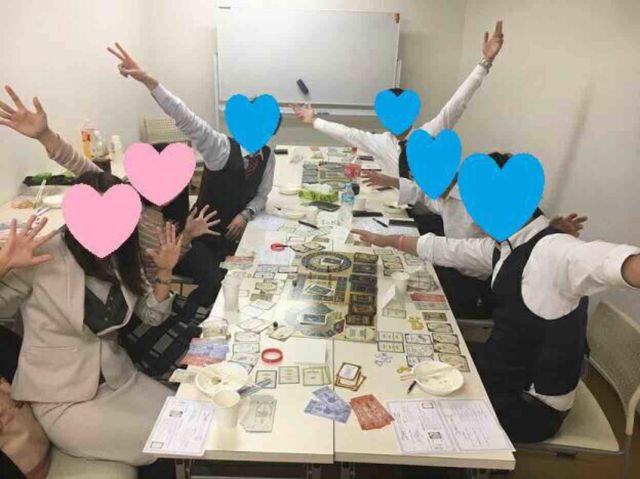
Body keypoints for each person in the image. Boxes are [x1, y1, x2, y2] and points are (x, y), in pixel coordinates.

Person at [352, 189, 640, 442]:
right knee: (416, 366)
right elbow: (447, 249)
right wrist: (385, 240)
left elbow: (608, 261)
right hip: (503, 372)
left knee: (414, 409)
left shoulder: (557, 250)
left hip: (530, 407)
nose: (475, 221)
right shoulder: (509, 245)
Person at [0, 175, 181, 473]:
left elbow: (152, 315)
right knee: (167, 440)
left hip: (120, 381)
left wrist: (164, 272)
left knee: (187, 417)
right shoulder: (44, 254)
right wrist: (4, 265)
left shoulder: (120, 254)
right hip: (61, 401)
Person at [0, 85, 220, 320]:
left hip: (142, 295)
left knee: (210, 278)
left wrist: (186, 237)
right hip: (133, 298)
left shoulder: (165, 216)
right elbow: (77, 162)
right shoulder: (123, 200)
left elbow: (162, 263)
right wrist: (45, 136)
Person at [292, 21, 505, 237]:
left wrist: (484, 63)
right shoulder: (382, 142)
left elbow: (457, 104)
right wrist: (314, 120)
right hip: (400, 208)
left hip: (438, 215)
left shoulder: (429, 134)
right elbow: (349, 134)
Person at [107, 43, 279, 305]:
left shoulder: (268, 156)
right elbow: (185, 117)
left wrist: (246, 214)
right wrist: (149, 81)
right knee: (215, 284)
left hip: (236, 237)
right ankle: (191, 319)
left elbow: (262, 195)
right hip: (198, 239)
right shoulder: (220, 147)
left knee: (255, 273)